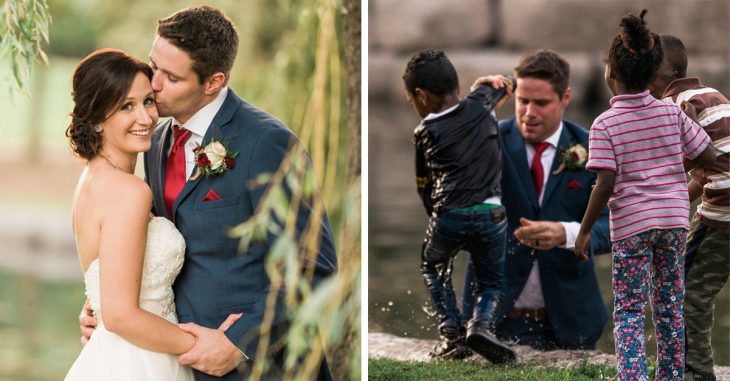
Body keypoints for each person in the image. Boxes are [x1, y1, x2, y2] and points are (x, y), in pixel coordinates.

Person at [78, 6, 338, 380]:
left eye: (171, 77)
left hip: (260, 368)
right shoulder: (155, 141)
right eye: (154, 67)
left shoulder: (266, 143)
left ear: (213, 82)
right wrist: (104, 304)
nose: (153, 85)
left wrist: (237, 341)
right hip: (173, 360)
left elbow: (313, 266)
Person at [575, 10, 716, 381]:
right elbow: (709, 154)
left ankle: (633, 377)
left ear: (610, 73)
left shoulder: (604, 124)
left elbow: (604, 185)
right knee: (669, 305)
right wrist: (670, 171)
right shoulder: (671, 114)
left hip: (632, 227)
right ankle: (669, 376)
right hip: (673, 220)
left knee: (630, 309)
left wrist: (586, 229)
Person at [65, 48, 208, 380]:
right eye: (126, 106)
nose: (146, 118)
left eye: (147, 101)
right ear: (96, 118)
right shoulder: (128, 191)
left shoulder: (90, 180)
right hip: (141, 360)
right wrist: (203, 344)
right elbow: (120, 316)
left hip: (110, 354)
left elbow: (107, 292)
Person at [463, 49, 612, 351]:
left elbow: (616, 224)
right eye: (523, 101)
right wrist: (473, 113)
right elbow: (454, 188)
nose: (529, 112)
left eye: (541, 103)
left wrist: (569, 233)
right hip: (492, 322)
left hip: (572, 323)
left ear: (565, 98)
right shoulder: (489, 140)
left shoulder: (592, 147)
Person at [403, 50, 516, 363]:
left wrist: (436, 218)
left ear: (420, 95)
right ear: (456, 85)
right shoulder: (481, 102)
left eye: (410, 100)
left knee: (432, 265)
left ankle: (452, 332)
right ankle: (481, 325)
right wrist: (487, 82)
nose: (411, 106)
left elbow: (423, 184)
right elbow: (510, 82)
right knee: (491, 281)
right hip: (492, 215)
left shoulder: (424, 132)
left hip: (448, 215)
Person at [648, 34, 730, 381]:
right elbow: (708, 168)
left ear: (654, 75)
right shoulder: (711, 96)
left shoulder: (673, 108)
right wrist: (679, 208)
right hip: (723, 195)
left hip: (724, 207)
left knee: (685, 288)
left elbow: (673, 167)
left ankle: (695, 371)